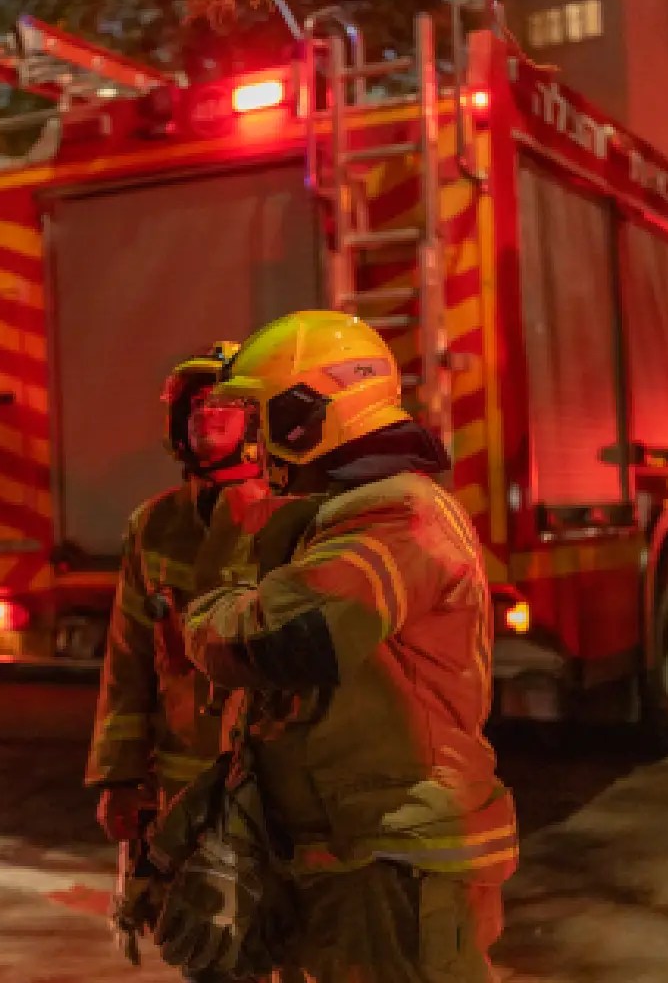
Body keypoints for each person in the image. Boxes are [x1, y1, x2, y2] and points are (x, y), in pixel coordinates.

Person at [171, 311, 518, 982]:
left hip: (395, 863)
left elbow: (284, 636)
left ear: (306, 416)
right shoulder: (347, 513)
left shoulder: (396, 514)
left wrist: (208, 614)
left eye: (263, 418)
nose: (254, 444)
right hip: (357, 854)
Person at [84, 343, 271, 973]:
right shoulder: (155, 525)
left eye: (224, 406)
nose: (207, 420)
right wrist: (118, 779)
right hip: (183, 792)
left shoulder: (292, 518)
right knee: (204, 950)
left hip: (273, 783)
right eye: (196, 408)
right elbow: (128, 662)